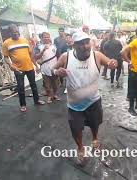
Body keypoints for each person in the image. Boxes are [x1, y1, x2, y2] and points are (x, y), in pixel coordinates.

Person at [52, 31, 117, 164]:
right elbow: (52, 70)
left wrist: (112, 63)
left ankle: (94, 139)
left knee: (95, 124)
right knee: (76, 129)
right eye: (81, 44)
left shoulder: (97, 56)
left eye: (87, 42)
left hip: (94, 101)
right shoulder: (66, 57)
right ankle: (80, 148)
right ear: (74, 45)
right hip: (74, 105)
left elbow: (110, 62)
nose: (86, 46)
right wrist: (57, 72)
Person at [2, 24, 45, 112]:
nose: (16, 34)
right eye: (14, 32)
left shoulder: (25, 40)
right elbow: (6, 57)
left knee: (34, 85)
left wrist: (36, 65)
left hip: (29, 67)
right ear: (10, 33)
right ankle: (23, 105)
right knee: (20, 87)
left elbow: (31, 55)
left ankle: (36, 101)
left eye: (17, 31)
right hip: (18, 69)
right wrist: (10, 65)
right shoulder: (6, 43)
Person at [34, 32, 60, 104]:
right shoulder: (38, 46)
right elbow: (36, 57)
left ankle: (54, 94)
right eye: (45, 37)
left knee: (55, 83)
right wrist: (43, 50)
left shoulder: (54, 46)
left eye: (48, 37)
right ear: (41, 38)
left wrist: (59, 65)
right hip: (45, 68)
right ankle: (49, 96)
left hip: (54, 67)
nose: (47, 38)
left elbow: (58, 55)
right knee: (47, 84)